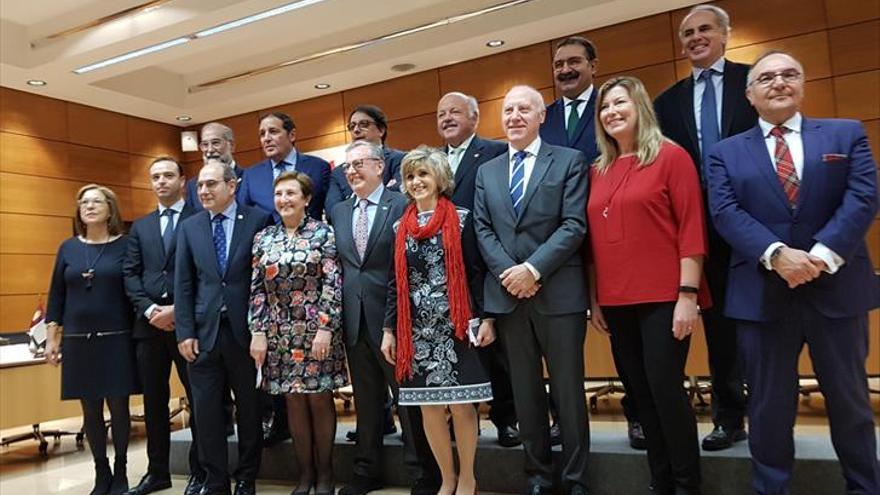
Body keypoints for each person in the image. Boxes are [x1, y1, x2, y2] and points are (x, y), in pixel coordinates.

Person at [707, 50, 880, 494]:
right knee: (767, 408)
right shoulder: (724, 153)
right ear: (750, 94)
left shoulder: (845, 135)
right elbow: (725, 212)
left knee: (851, 404)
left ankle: (864, 486)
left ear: (802, 85)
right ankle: (771, 489)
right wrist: (777, 254)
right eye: (766, 77)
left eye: (789, 75)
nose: (778, 82)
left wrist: (820, 256)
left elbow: (863, 198)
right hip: (763, 294)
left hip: (836, 289)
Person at [588, 76, 706, 495]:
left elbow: (692, 229)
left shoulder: (672, 158)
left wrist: (687, 296)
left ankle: (687, 484)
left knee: (665, 392)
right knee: (639, 395)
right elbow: (592, 244)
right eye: (604, 107)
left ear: (640, 106)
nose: (612, 112)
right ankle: (661, 482)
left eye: (620, 102)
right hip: (616, 300)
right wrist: (595, 299)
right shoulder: (598, 169)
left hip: (663, 297)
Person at [473, 85, 590, 495]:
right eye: (508, 110)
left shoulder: (570, 161)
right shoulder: (488, 172)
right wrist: (511, 273)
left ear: (542, 116)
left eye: (524, 109)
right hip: (508, 296)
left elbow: (574, 224)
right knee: (525, 393)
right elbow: (482, 229)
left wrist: (533, 269)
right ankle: (538, 476)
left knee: (568, 392)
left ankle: (575, 479)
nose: (514, 117)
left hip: (558, 294)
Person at [653, 3, 753, 450]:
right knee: (720, 330)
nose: (695, 37)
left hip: (756, 226)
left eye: (705, 29)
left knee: (768, 327)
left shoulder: (751, 83)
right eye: (687, 32)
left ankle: (772, 412)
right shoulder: (667, 102)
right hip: (699, 233)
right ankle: (729, 418)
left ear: (725, 34)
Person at [381, 147, 495, 495]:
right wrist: (388, 330)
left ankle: (468, 478)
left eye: (423, 174)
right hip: (415, 331)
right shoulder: (400, 226)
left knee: (461, 405)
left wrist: (487, 317)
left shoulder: (462, 219)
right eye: (411, 176)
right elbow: (393, 283)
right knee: (429, 407)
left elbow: (478, 272)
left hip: (457, 326)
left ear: (439, 179)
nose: (416, 182)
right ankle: (447, 478)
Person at [329, 141, 441, 495]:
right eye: (347, 167)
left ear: (380, 167)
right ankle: (366, 470)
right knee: (365, 401)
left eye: (359, 164)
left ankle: (422, 472)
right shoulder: (338, 211)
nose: (352, 171)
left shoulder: (402, 205)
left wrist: (394, 322)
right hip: (355, 321)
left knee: (406, 400)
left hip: (394, 319)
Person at [175, 159, 272, 495]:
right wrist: (184, 331)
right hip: (203, 335)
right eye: (200, 185)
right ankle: (215, 480)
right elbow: (183, 284)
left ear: (232, 186)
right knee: (206, 413)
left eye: (211, 184)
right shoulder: (190, 227)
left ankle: (246, 476)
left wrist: (263, 330)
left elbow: (264, 281)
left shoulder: (258, 220)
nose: (203, 190)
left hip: (246, 335)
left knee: (249, 409)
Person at [248, 171, 347, 495]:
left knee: (319, 399)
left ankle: (326, 475)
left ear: (306, 199)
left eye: (291, 193)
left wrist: (325, 328)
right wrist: (258, 331)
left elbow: (333, 284)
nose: (284, 200)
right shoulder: (264, 238)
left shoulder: (323, 234)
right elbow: (257, 290)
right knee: (292, 401)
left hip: (316, 331)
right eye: (279, 194)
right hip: (279, 333)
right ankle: (304, 475)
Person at [436, 92, 518, 448]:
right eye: (441, 114)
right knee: (456, 350)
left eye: (455, 111)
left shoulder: (496, 152)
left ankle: (506, 419)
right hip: (443, 273)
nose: (447, 118)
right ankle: (462, 421)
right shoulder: (431, 159)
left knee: (496, 350)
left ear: (474, 117)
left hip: (484, 266)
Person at [45, 184, 138, 495]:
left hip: (116, 338)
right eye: (84, 202)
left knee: (119, 405)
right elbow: (56, 295)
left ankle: (122, 469)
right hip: (78, 340)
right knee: (90, 409)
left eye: (97, 201)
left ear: (110, 209)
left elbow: (133, 292)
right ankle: (101, 471)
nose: (89, 206)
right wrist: (52, 337)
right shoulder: (68, 248)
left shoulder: (126, 245)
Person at [122, 157, 202, 495]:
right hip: (149, 327)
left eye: (168, 175)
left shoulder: (199, 220)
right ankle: (158, 472)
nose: (161, 182)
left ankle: (201, 471)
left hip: (189, 327)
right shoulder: (140, 227)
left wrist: (177, 311)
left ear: (183, 181)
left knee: (199, 401)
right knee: (154, 402)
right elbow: (131, 273)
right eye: (155, 177)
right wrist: (152, 309)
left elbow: (206, 274)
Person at [239, 112, 331, 221]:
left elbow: (330, 210)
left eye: (273, 131)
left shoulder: (319, 167)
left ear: (292, 135)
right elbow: (243, 216)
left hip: (311, 235)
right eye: (262, 134)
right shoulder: (251, 175)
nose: (266, 139)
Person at [324, 104, 406, 215]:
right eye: (352, 126)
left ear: (381, 130)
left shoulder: (400, 160)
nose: (356, 130)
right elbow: (333, 211)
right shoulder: (338, 173)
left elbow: (403, 193)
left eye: (363, 124)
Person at [539, 36, 600, 163]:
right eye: (559, 65)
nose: (565, 70)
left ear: (593, 66)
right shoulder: (543, 119)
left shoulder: (609, 108)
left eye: (574, 62)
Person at [187, 122, 245, 211]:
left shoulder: (248, 177)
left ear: (232, 146)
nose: (210, 150)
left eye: (215, 143)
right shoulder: (192, 185)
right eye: (205, 145)